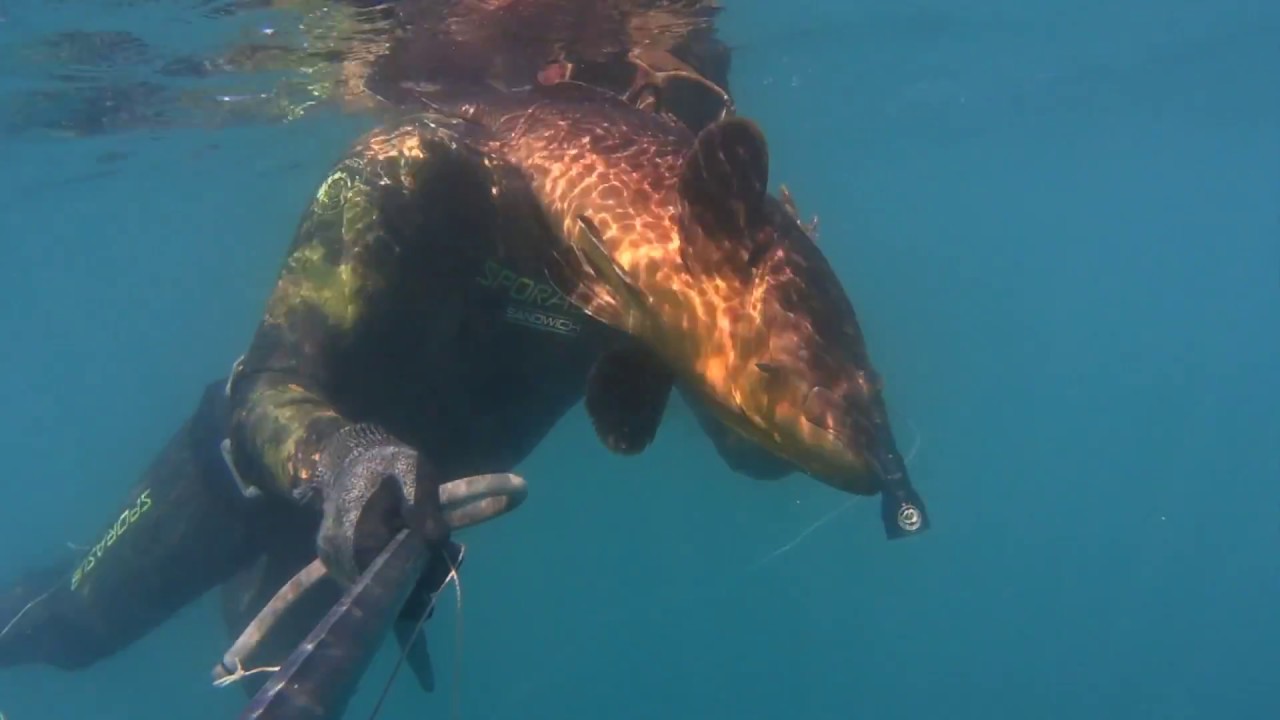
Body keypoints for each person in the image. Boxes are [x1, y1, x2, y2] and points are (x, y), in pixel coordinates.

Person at [0, 19, 796, 683]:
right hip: (250, 478)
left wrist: (771, 332)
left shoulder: (660, 263)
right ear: (564, 84)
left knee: (291, 687)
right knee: (70, 632)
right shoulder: (410, 171)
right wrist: (342, 459)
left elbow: (754, 451)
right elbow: (267, 389)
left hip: (385, 537)